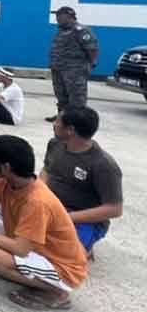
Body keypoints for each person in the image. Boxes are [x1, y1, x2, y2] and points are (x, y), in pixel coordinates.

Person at [0, 136, 88, 310]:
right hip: (29, 241)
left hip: (61, 266)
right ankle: (27, 270)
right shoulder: (7, 182)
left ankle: (56, 290)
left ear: (6, 167)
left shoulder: (37, 201)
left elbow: (21, 249)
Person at [42, 108, 123, 253]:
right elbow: (47, 170)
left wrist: (67, 217)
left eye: (58, 121)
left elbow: (114, 209)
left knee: (63, 254)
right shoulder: (55, 144)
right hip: (52, 208)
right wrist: (37, 195)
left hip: (82, 220)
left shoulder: (103, 165)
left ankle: (84, 246)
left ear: (70, 130)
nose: (54, 124)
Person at [47, 6, 98, 122]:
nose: (57, 18)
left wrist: (92, 63)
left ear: (69, 16)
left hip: (75, 70)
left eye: (60, 15)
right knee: (61, 94)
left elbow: (92, 49)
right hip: (58, 68)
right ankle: (62, 117)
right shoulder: (62, 30)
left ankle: (77, 119)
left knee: (76, 96)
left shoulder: (81, 30)